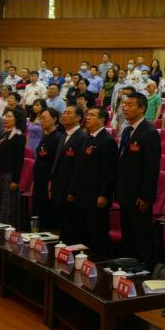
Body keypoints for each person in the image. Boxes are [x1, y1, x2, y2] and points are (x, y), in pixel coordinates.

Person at [63, 107, 116, 255]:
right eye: (87, 115)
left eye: (92, 115)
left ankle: (98, 262)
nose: (87, 117)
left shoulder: (107, 140)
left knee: (96, 233)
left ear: (102, 120)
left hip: (96, 196)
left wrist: (104, 194)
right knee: (82, 233)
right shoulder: (87, 138)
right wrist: (72, 190)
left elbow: (110, 171)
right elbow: (78, 168)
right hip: (82, 194)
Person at [116, 94, 161, 267]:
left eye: (130, 104)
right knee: (127, 235)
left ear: (142, 108)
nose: (124, 107)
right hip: (125, 192)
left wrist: (145, 196)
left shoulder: (149, 132)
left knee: (141, 236)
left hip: (139, 196)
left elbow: (151, 168)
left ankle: (143, 270)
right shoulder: (127, 130)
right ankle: (127, 268)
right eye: (124, 104)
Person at [50, 105, 85, 236]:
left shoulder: (82, 137)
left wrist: (72, 190)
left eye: (69, 113)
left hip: (70, 188)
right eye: (64, 112)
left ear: (78, 117)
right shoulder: (64, 135)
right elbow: (57, 161)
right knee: (61, 223)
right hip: (59, 185)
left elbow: (78, 167)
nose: (64, 115)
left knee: (71, 224)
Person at [0, 108, 26, 226]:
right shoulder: (5, 134)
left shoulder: (19, 136)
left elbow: (19, 160)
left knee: (6, 205)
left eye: (9, 116)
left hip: (8, 175)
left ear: (16, 119)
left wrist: (15, 180)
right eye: (5, 116)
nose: (6, 118)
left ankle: (5, 227)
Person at [32, 107, 64, 230]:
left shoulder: (58, 137)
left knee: (47, 213)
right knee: (37, 211)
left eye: (44, 118)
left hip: (49, 181)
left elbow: (56, 162)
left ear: (54, 119)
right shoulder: (45, 136)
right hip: (39, 180)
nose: (41, 121)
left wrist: (51, 180)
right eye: (40, 118)